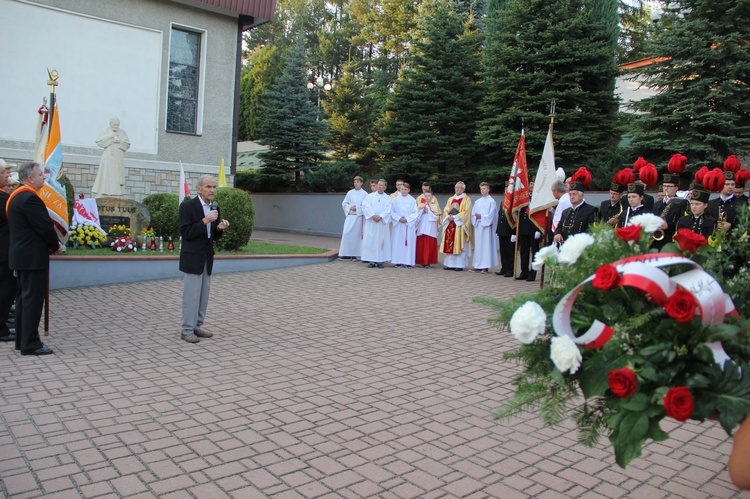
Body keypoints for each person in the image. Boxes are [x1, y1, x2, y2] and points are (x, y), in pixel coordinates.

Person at [8, 162, 63, 355]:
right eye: (41, 175)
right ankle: (30, 343)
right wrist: (56, 245)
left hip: (22, 255)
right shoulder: (29, 198)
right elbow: (44, 227)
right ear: (30, 178)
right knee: (32, 299)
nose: (44, 177)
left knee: (23, 298)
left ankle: (22, 341)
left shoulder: (17, 196)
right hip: (32, 257)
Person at [179, 175, 230, 344]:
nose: (212, 190)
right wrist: (205, 221)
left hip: (207, 257)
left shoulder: (214, 208)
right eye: (208, 187)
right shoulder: (187, 206)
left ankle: (197, 326)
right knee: (191, 296)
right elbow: (186, 233)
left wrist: (219, 229)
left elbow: (212, 236)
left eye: (214, 187)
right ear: (199, 189)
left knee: (203, 295)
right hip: (192, 257)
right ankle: (186, 330)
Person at [91, 118, 131, 198]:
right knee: (106, 174)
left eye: (117, 125)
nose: (116, 127)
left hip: (118, 157)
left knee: (116, 176)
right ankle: (103, 192)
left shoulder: (122, 132)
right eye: (114, 125)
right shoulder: (105, 131)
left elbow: (127, 144)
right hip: (108, 156)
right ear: (111, 124)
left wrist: (119, 141)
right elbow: (99, 142)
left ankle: (117, 194)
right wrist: (110, 138)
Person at [440, 181, 473, 271]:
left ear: (463, 189)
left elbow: (466, 212)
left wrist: (454, 217)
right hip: (450, 225)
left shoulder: (467, 199)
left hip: (459, 225)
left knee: (459, 243)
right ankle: (449, 264)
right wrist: (449, 216)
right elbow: (446, 209)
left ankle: (459, 265)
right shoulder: (451, 199)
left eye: (459, 188)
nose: (457, 189)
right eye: (456, 188)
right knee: (449, 243)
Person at [553, 178, 597, 244]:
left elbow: (592, 231)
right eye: (570, 194)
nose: (572, 197)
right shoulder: (565, 212)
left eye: (574, 194)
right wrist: (558, 234)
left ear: (582, 195)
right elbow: (559, 227)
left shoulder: (591, 210)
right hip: (565, 247)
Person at [0, 166, 16, 343]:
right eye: (4, 173)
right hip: (4, 251)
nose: (8, 176)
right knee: (5, 291)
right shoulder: (3, 199)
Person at [652, 173, 688, 250]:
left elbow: (683, 223)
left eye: (669, 186)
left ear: (676, 188)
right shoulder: (657, 204)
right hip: (656, 242)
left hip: (671, 241)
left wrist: (668, 226)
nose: (666, 188)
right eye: (664, 186)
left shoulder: (682, 203)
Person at [361, 179, 392, 268]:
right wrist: (373, 215)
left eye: (382, 185)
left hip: (381, 223)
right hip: (372, 222)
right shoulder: (369, 197)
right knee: (371, 241)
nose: (379, 186)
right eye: (378, 185)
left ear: (385, 187)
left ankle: (380, 261)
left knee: (381, 241)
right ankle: (371, 260)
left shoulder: (388, 198)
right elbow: (366, 206)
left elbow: (388, 209)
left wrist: (381, 216)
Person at [338, 176, 368, 261]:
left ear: (361, 183)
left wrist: (357, 208)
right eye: (355, 182)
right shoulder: (350, 193)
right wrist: (350, 207)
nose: (356, 184)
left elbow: (366, 206)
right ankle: (346, 254)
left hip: (358, 217)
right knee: (346, 233)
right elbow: (344, 203)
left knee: (356, 236)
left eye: (358, 182)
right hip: (350, 216)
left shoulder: (365, 194)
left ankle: (355, 254)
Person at [470, 182, 498, 274]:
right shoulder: (478, 202)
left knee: (485, 247)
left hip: (486, 227)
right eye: (481, 189)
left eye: (484, 189)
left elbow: (492, 216)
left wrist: (482, 216)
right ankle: (477, 265)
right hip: (478, 227)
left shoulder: (491, 201)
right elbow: (473, 214)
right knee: (478, 247)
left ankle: (485, 266)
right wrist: (475, 217)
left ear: (488, 190)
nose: (483, 191)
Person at [390, 182, 419, 268]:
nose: (403, 191)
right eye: (402, 189)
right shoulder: (395, 200)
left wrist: (407, 219)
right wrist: (399, 218)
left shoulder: (412, 200)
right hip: (398, 225)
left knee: (408, 243)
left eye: (405, 189)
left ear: (409, 190)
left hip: (408, 225)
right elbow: (392, 211)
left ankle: (408, 262)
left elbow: (415, 213)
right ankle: (397, 261)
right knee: (397, 243)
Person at [415, 190, 440, 268]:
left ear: (432, 196)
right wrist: (422, 211)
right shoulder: (420, 205)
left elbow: (436, 217)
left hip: (430, 228)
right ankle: (421, 261)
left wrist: (428, 211)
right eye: (425, 196)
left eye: (429, 196)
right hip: (422, 227)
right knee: (421, 244)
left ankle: (428, 261)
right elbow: (416, 216)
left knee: (429, 245)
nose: (427, 197)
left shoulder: (435, 205)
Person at [495, 180, 515, 277]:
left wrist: (514, 232)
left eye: (508, 189)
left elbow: (515, 219)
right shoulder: (503, 201)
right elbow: (500, 217)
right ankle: (504, 268)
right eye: (505, 189)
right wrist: (497, 230)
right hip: (502, 230)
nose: (506, 191)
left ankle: (510, 269)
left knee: (510, 251)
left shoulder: (513, 203)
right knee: (503, 251)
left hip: (509, 230)